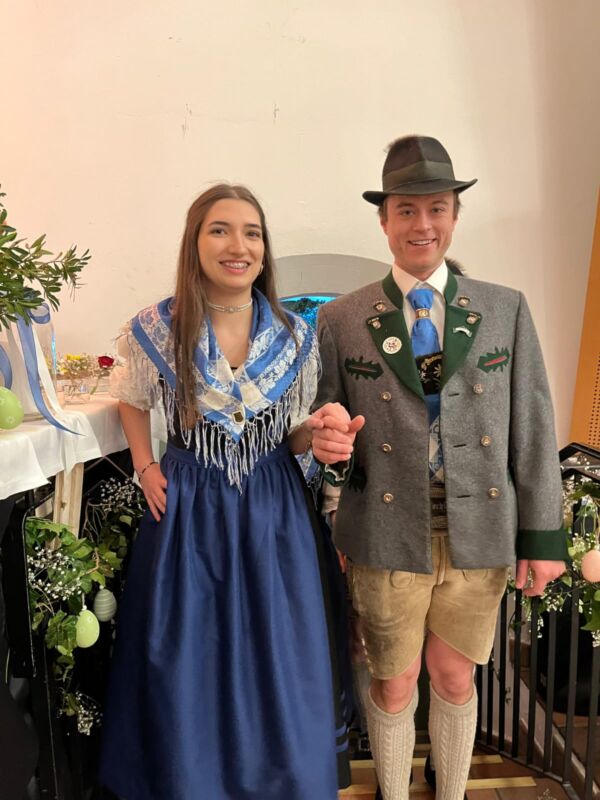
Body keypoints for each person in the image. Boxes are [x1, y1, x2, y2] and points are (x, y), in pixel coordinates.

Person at [311, 135, 567, 800]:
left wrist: (543, 538)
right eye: (406, 210)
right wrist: (322, 442)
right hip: (384, 531)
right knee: (394, 681)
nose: (421, 224)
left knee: (455, 677)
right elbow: (319, 420)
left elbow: (534, 425)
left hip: (480, 529)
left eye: (436, 208)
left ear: (454, 215)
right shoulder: (342, 317)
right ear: (384, 219)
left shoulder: (504, 308)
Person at [99, 183, 351, 800]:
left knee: (278, 651)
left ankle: (281, 781)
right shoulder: (157, 328)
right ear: (195, 242)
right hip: (188, 507)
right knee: (187, 652)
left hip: (272, 508)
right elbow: (131, 397)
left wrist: (315, 435)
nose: (238, 245)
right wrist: (144, 465)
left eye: (251, 233)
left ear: (264, 250)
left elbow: (289, 433)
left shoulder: (293, 335)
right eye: (220, 230)